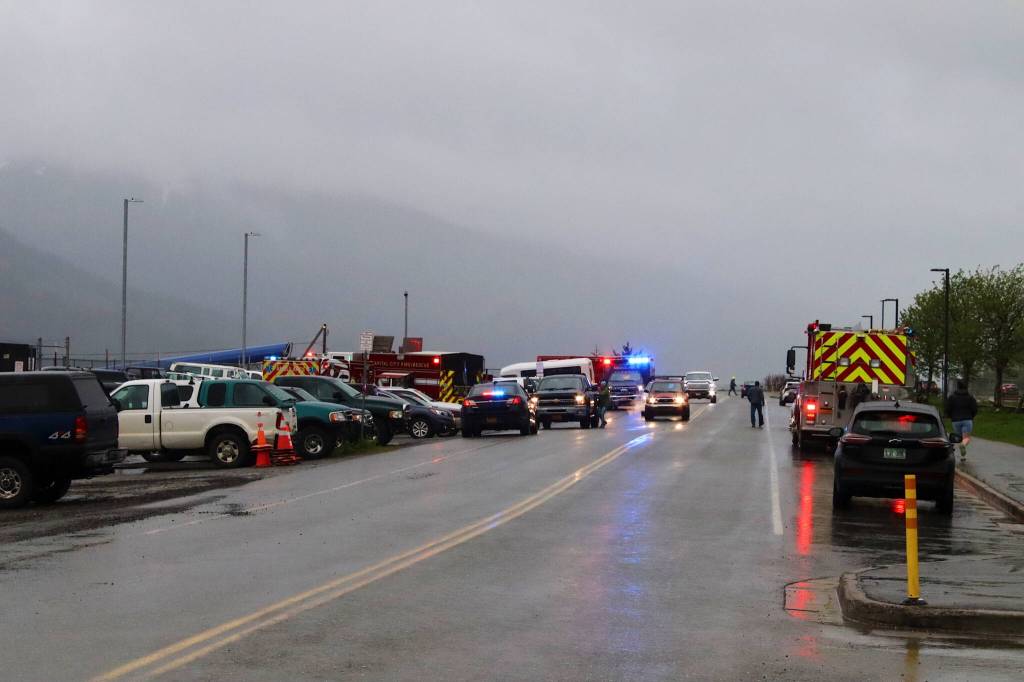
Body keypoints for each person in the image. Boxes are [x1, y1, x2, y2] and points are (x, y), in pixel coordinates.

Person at [945, 380, 978, 459]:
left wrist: (950, 416)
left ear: (958, 387)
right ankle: (963, 447)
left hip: (955, 421)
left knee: (959, 438)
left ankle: (963, 456)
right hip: (967, 420)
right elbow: (975, 409)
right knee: (966, 438)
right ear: (966, 387)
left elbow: (948, 409)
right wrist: (972, 416)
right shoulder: (970, 397)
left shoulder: (952, 397)